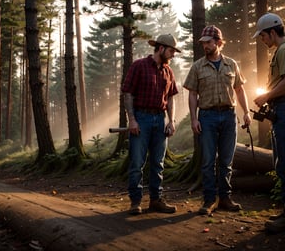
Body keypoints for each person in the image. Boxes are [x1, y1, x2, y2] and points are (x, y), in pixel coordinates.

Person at [183, 25, 252, 215]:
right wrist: (194, 119)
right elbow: (192, 94)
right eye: (203, 43)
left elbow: (239, 89)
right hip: (207, 117)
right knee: (207, 161)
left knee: (226, 161)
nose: (205, 45)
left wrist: (246, 112)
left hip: (229, 116)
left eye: (208, 42)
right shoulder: (197, 66)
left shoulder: (232, 64)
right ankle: (208, 200)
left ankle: (225, 198)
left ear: (219, 43)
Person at [122, 34, 180, 215]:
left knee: (158, 163)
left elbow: (170, 98)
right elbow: (128, 93)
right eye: (171, 51)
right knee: (137, 162)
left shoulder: (168, 71)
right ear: (161, 48)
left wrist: (171, 121)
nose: (172, 55)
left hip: (160, 119)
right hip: (141, 118)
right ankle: (135, 202)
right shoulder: (139, 66)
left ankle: (156, 200)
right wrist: (132, 119)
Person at [252, 13, 285, 233]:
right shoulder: (278, 52)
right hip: (279, 109)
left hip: (284, 108)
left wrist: (266, 96)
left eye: (263, 36)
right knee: (280, 162)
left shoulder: (283, 50)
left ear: (272, 32)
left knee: (284, 162)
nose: (262, 40)